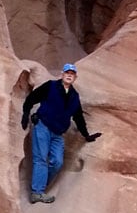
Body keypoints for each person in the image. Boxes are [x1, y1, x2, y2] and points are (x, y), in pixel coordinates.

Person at [21, 64, 101, 204]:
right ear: (62, 74)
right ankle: (37, 192)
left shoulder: (74, 97)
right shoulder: (50, 86)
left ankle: (40, 186)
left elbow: (78, 117)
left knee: (57, 162)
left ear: (75, 77)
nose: (69, 75)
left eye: (72, 73)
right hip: (43, 126)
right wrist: (26, 114)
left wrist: (86, 135)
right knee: (40, 159)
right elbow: (32, 98)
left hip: (58, 133)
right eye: (67, 73)